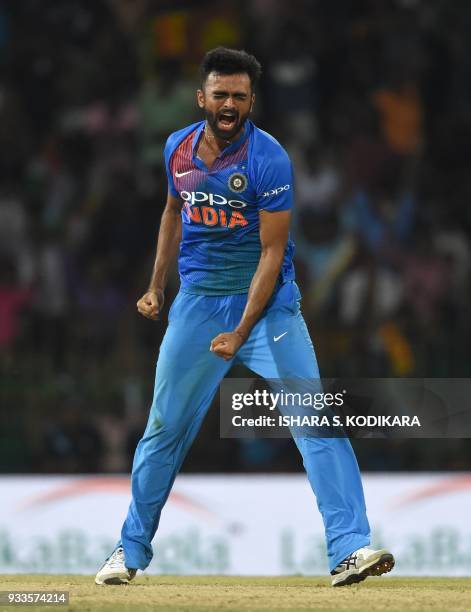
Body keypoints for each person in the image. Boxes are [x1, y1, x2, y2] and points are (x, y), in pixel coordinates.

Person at [95, 47, 394, 588]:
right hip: (196, 304)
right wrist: (156, 286)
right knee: (163, 429)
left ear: (252, 100)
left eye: (238, 95)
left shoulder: (269, 159)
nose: (228, 104)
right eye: (220, 94)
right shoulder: (177, 148)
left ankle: (351, 549)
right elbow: (171, 211)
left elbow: (272, 253)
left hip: (267, 308)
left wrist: (240, 330)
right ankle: (128, 551)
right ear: (201, 98)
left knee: (317, 420)